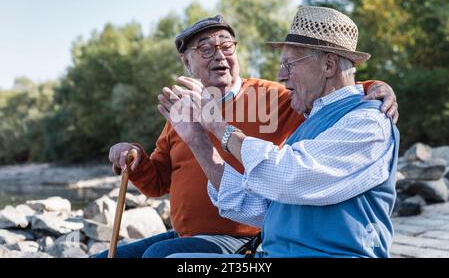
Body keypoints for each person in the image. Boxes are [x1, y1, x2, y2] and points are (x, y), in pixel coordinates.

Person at [96, 13, 398, 258]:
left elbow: (336, 97)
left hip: (239, 240)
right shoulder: (182, 113)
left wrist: (371, 87)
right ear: (187, 64)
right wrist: (134, 157)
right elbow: (158, 182)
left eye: (226, 46)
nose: (220, 55)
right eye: (205, 48)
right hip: (194, 234)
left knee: (164, 259)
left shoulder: (278, 99)